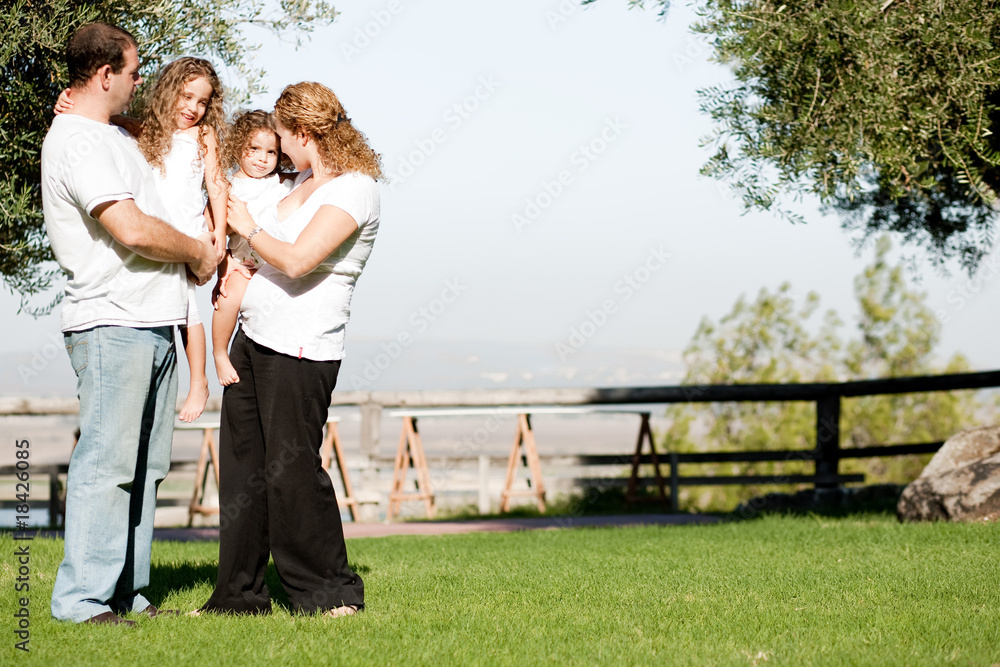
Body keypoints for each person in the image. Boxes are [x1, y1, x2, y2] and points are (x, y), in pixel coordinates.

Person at [42, 22, 218, 626]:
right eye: (135, 69)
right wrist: (198, 251)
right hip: (113, 323)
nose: (141, 79)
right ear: (105, 74)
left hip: (154, 321)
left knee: (144, 472)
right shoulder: (81, 142)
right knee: (108, 467)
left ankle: (126, 597)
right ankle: (82, 603)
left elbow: (158, 150)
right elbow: (133, 228)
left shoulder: (108, 134)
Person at [198, 81, 381, 617]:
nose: (276, 144)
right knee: (242, 471)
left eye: (281, 134)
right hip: (251, 342)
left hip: (301, 349)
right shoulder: (298, 179)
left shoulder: (354, 189)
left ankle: (330, 593)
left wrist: (248, 229)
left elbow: (300, 260)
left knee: (292, 469)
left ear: (303, 132)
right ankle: (238, 597)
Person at [56, 56, 229, 422]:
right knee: (178, 302)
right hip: (164, 227)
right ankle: (193, 379)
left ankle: (198, 380)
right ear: (169, 93)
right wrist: (69, 101)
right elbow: (108, 119)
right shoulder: (147, 131)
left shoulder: (204, 135)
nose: (193, 108)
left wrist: (220, 235)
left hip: (191, 227)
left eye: (202, 102)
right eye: (186, 97)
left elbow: (216, 184)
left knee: (189, 308)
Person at [212, 110, 292, 386]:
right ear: (238, 148)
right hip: (242, 262)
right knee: (229, 299)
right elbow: (214, 226)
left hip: (272, 262)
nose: (262, 158)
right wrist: (223, 262)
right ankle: (220, 353)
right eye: (254, 149)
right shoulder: (231, 186)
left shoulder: (279, 182)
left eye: (271, 152)